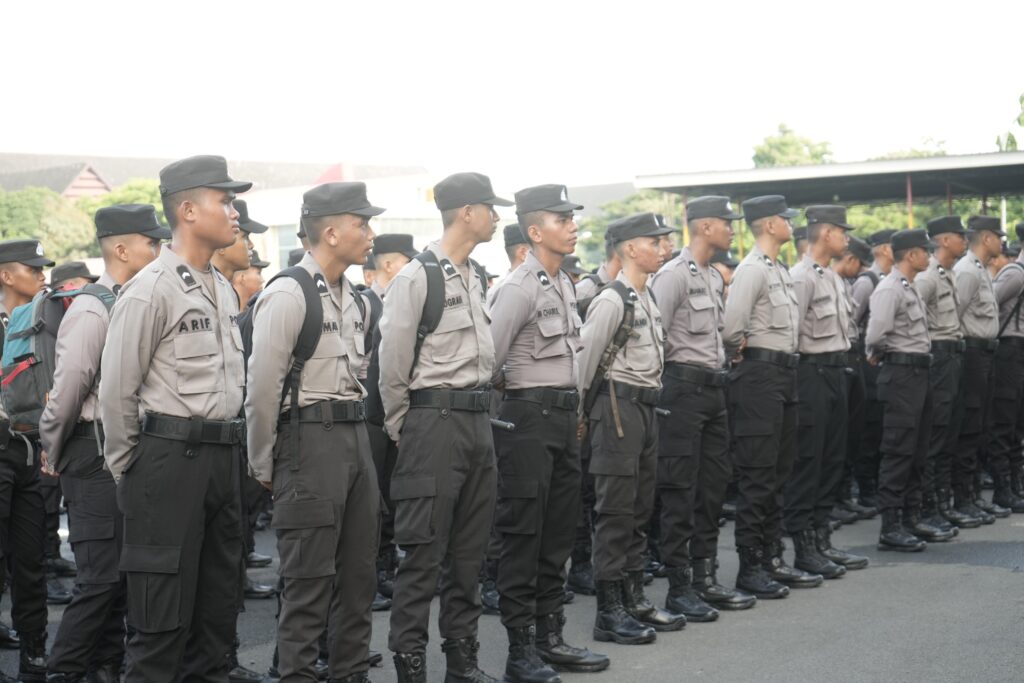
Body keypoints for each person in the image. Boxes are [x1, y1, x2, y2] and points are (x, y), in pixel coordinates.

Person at [99, 155, 252, 682]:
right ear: (187, 210)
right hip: (168, 463)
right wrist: (134, 474)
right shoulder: (150, 289)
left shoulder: (222, 288)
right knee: (160, 627)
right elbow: (116, 394)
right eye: (224, 201)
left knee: (216, 620)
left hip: (223, 459)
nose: (234, 212)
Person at [246, 182, 382, 682]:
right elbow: (262, 389)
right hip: (308, 443)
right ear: (331, 232)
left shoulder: (357, 299)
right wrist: (264, 462)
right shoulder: (288, 293)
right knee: (307, 587)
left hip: (353, 439)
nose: (370, 234)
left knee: (359, 582)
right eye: (361, 224)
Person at [378, 172, 510, 683]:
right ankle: (412, 669)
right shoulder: (417, 277)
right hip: (433, 423)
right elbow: (391, 367)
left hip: (477, 420)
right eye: (490, 208)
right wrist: (407, 430)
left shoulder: (475, 275)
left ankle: (463, 665)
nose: (497, 217)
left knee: (469, 555)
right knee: (422, 558)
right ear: (466, 212)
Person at [39, 204, 168, 683]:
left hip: (128, 453)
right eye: (151, 243)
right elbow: (68, 390)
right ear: (121, 249)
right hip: (91, 454)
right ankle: (64, 671)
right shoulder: (93, 307)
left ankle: (105, 668)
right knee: (100, 579)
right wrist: (54, 448)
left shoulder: (140, 299)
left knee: (122, 578)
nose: (159, 251)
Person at [489, 184, 608, 682]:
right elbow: (488, 362)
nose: (573, 226)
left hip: (561, 418)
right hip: (527, 420)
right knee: (524, 535)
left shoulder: (563, 284)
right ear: (535, 232)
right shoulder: (518, 287)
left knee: (558, 534)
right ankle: (520, 652)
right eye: (562, 220)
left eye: (572, 218)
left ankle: (549, 638)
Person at [578, 212, 683, 644]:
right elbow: (585, 364)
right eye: (654, 242)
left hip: (645, 408)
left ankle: (634, 597)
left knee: (640, 509)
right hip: (616, 409)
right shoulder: (612, 299)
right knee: (616, 513)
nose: (662, 248)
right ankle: (609, 612)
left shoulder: (646, 295)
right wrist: (581, 417)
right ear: (629, 249)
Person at [650, 196, 756, 621]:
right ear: (705, 226)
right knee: (680, 489)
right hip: (681, 390)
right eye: (726, 223)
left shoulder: (713, 276)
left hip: (714, 389)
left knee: (713, 487)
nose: (732, 229)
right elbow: (653, 336)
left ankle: (704, 577)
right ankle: (679, 587)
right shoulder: (673, 275)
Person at [721, 195, 804, 599]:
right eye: (785, 219)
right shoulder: (752, 269)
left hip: (784, 374)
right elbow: (731, 328)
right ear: (770, 225)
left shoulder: (778, 269)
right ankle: (751, 565)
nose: (791, 225)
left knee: (778, 472)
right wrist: (738, 350)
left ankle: (772, 557)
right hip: (759, 375)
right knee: (758, 473)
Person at [785, 205, 867, 578]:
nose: (846, 238)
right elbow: (791, 333)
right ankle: (804, 546)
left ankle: (822, 538)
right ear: (825, 233)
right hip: (810, 373)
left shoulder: (833, 278)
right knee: (809, 460)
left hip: (837, 371)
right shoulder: (800, 277)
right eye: (841, 231)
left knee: (833, 459)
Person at [0, 238, 54, 682]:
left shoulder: (38, 322)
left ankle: (34, 652)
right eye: (32, 269)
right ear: (5, 275)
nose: (41, 275)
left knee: (31, 559)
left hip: (27, 452)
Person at [865, 228, 934, 552]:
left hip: (918, 374)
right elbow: (875, 336)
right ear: (911, 254)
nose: (929, 256)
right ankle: (890, 526)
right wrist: (880, 353)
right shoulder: (890, 288)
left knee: (918, 451)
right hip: (901, 374)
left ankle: (910, 517)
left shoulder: (910, 285)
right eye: (925, 251)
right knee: (899, 450)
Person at [364, 233, 419, 603]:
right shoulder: (367, 303)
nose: (413, 268)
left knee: (392, 491)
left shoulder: (407, 300)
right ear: (387, 264)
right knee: (374, 497)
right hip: (371, 414)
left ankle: (386, 565)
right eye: (406, 260)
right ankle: (374, 570)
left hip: (396, 410)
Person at [908, 216, 968, 542]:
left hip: (953, 355)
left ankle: (942, 503)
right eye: (960, 235)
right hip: (938, 357)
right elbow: (911, 317)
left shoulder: (949, 273)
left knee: (948, 433)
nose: (965, 240)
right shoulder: (928, 276)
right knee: (934, 434)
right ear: (944, 240)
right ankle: (927, 506)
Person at [832, 236, 878, 520]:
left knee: (851, 433)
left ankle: (842, 495)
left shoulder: (839, 282)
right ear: (850, 259)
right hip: (837, 359)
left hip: (851, 357)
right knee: (835, 436)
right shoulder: (856, 282)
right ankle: (833, 499)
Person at [851, 228, 896, 510]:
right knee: (869, 425)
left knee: (883, 425)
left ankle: (877, 483)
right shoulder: (868, 282)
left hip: (887, 362)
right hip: (868, 363)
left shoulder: (895, 280)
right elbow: (850, 322)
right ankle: (866, 486)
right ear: (884, 249)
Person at [986, 215, 1024, 514]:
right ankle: (1002, 489)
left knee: (1018, 423)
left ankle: (1015, 484)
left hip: (1020, 352)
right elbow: (987, 306)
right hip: (1009, 350)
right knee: (1005, 421)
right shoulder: (1015, 273)